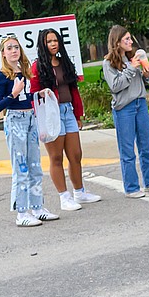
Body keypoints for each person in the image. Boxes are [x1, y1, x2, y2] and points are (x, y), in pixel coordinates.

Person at [31, 28, 102, 211]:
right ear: (43, 44)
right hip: (50, 114)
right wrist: (41, 95)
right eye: (49, 41)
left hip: (67, 111)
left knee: (75, 154)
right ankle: (64, 197)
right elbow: (32, 94)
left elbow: (73, 90)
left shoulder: (64, 62)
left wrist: (78, 114)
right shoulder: (38, 66)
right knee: (56, 157)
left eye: (56, 40)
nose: (53, 44)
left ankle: (80, 192)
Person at [0, 35, 56, 226]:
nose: (14, 51)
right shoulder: (2, 76)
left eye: (16, 47)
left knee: (35, 166)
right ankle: (21, 213)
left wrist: (38, 94)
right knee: (21, 167)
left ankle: (37, 208)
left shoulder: (24, 72)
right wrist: (14, 91)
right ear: (3, 54)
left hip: (30, 119)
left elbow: (26, 97)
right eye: (9, 48)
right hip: (15, 121)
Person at [102, 25, 149, 198]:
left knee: (147, 146)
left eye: (130, 38)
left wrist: (146, 74)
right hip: (124, 108)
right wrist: (131, 69)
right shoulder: (109, 63)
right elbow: (115, 86)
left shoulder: (132, 58)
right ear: (117, 42)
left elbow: (143, 81)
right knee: (127, 150)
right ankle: (132, 187)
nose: (130, 42)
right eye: (126, 39)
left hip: (140, 103)